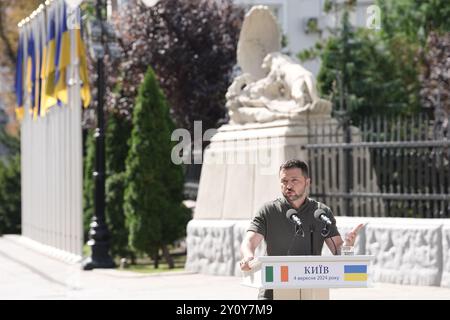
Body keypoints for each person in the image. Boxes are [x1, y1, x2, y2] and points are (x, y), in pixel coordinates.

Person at [239, 159, 364, 300]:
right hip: (273, 292)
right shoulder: (268, 210)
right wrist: (248, 256)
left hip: (312, 291)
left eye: (294, 180)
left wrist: (348, 246)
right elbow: (249, 241)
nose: (288, 186)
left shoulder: (321, 213)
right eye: (284, 181)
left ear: (307, 182)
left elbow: (338, 250)